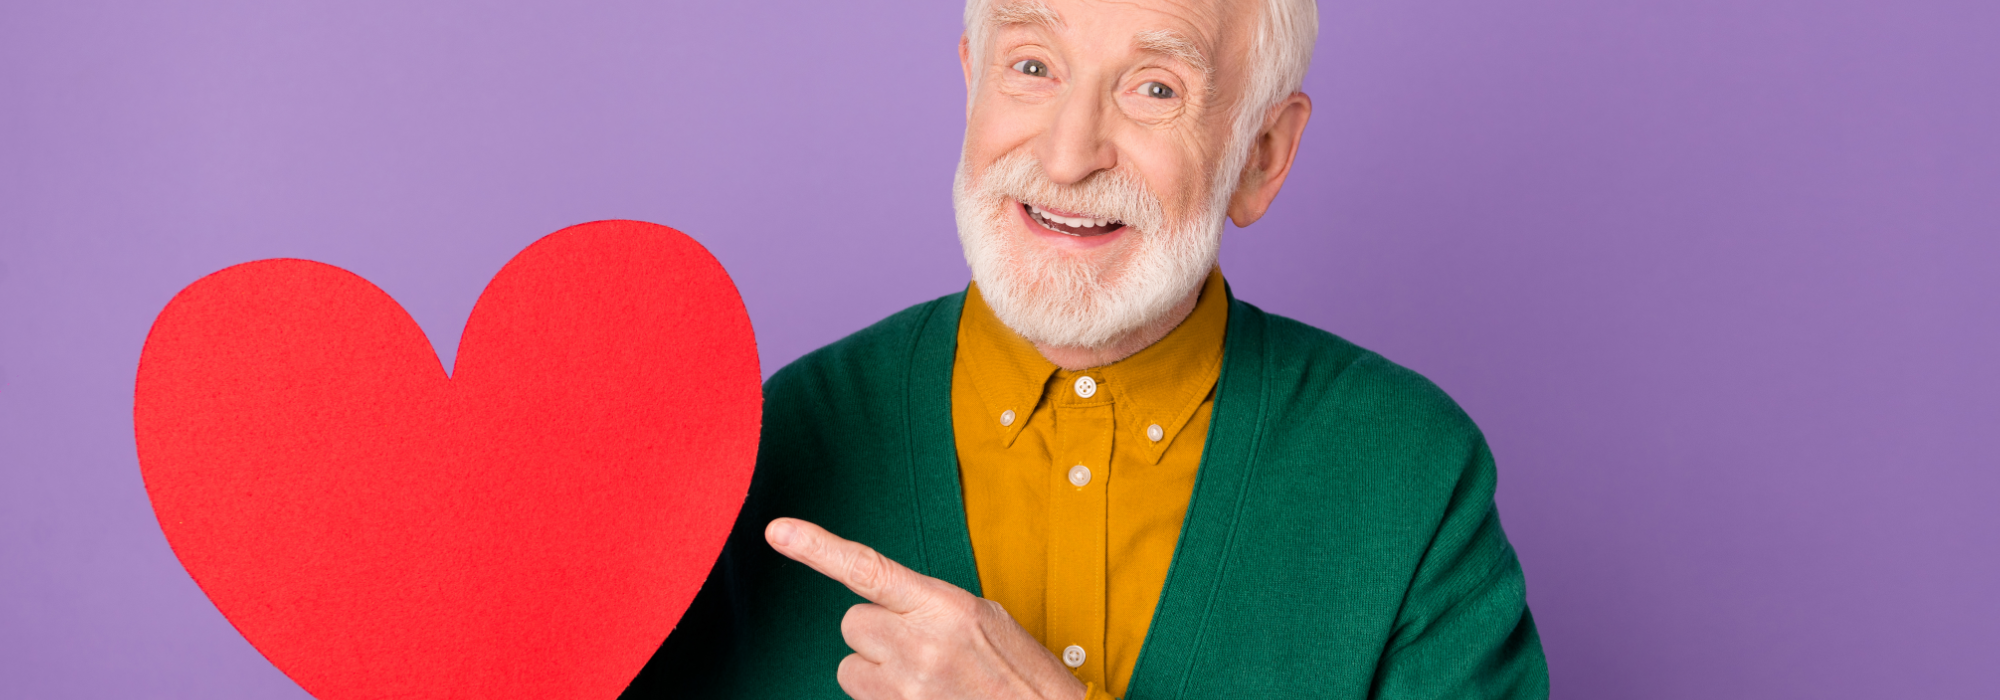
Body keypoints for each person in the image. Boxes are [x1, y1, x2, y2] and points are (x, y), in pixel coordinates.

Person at [625, 0, 1548, 697]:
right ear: (971, 80)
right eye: (1032, 67)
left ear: (1262, 153)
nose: (1069, 156)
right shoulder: (776, 441)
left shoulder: (1409, 474)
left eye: (1156, 89)